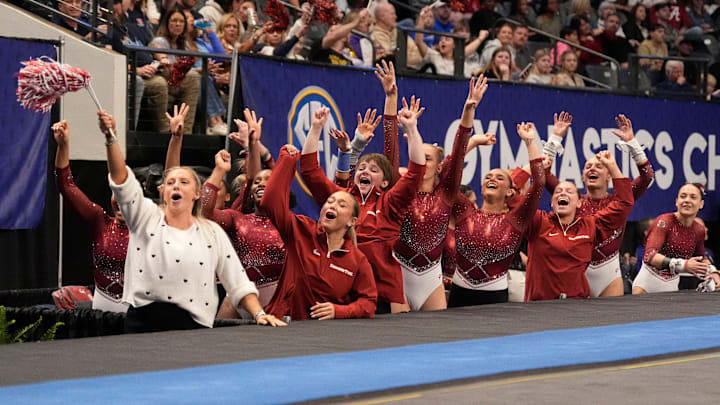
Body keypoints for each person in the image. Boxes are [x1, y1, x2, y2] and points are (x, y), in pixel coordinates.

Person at [97, 110, 285, 332]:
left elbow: (237, 281)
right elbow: (122, 182)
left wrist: (260, 314)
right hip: (143, 323)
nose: (176, 185)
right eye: (171, 182)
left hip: (195, 328)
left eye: (184, 182)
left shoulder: (211, 232)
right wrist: (111, 139)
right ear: (163, 190)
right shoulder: (145, 218)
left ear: (197, 193)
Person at [299, 75, 427, 313]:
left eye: (374, 170)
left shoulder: (391, 203)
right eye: (362, 168)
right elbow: (310, 172)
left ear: (386, 180)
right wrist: (316, 128)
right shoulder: (343, 198)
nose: (365, 171)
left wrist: (411, 128)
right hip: (340, 290)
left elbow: (416, 172)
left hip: (383, 295)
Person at [392, 76, 490, 312]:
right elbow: (390, 151)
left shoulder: (446, 194)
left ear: (438, 167)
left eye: (428, 159)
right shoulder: (400, 190)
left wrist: (469, 109)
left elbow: (458, 151)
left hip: (430, 277)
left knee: (436, 340)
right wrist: (391, 99)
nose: (421, 162)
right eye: (419, 156)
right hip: (398, 271)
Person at [260, 145, 378, 320]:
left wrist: (339, 311)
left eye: (341, 205)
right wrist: (287, 159)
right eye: (329, 201)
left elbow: (368, 303)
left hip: (324, 337)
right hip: (283, 326)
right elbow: (270, 203)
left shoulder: (357, 260)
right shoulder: (300, 229)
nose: (332, 205)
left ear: (351, 221)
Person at [542, 113, 654, 297]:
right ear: (583, 176)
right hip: (577, 270)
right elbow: (543, 175)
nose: (592, 169)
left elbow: (647, 176)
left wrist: (633, 144)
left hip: (608, 274)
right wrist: (555, 139)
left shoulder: (620, 200)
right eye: (588, 167)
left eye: (599, 166)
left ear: (609, 175)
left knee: (611, 324)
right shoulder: (573, 201)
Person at [448, 121, 544, 307]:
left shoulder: (516, 219)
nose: (492, 179)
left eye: (499, 178)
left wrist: (530, 142)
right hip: (459, 290)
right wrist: (473, 143)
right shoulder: (465, 211)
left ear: (510, 191)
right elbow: (449, 173)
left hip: (494, 294)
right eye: (488, 177)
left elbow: (539, 182)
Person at [200, 110, 285, 317]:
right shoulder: (237, 218)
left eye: (268, 181)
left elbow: (278, 174)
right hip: (239, 300)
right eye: (257, 182)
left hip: (278, 300)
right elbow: (205, 212)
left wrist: (254, 144)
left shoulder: (288, 223)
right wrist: (219, 171)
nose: (262, 185)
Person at [524, 150, 634, 301]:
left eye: (569, 191)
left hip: (580, 299)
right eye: (558, 191)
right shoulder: (538, 222)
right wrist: (530, 162)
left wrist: (612, 165)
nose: (563, 193)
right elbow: (515, 200)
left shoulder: (590, 226)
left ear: (579, 202)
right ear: (551, 201)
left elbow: (625, 202)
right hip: (540, 304)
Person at [53, 121, 129, 313]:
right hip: (103, 310)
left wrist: (176, 140)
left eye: (127, 194)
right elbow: (67, 186)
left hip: (139, 312)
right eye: (117, 193)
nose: (120, 200)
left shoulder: (151, 228)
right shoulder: (100, 221)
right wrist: (63, 146)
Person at [633, 183, 712, 294]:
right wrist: (683, 265)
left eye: (693, 197)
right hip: (646, 285)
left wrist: (712, 271)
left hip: (671, 287)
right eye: (683, 196)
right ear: (676, 201)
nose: (687, 200)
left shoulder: (699, 229)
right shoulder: (664, 222)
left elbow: (701, 257)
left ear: (701, 204)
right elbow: (649, 256)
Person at [147, 6, 201, 134]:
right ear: (167, 23)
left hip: (178, 81)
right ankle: (168, 130)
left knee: (194, 77)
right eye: (174, 21)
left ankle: (186, 131)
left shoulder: (184, 44)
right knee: (192, 76)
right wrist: (163, 59)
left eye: (181, 21)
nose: (178, 24)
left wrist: (203, 69)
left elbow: (187, 69)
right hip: (165, 78)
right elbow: (156, 49)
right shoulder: (160, 40)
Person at [370, 1, 422, 68]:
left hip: (409, 71)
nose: (396, 17)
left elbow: (418, 56)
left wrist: (398, 54)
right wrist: (405, 55)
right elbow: (389, 58)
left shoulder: (399, 32)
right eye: (392, 14)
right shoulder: (375, 35)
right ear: (382, 17)